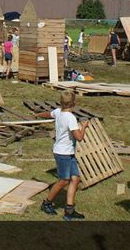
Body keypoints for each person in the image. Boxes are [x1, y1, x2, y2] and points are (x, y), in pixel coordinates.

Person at [36, 91, 90, 221]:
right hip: (63, 153)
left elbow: (49, 114)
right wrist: (84, 127)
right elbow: (80, 138)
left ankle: (69, 211)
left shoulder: (58, 112)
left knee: (75, 179)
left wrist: (38, 115)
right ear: (74, 103)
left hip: (68, 153)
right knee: (64, 181)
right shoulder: (71, 118)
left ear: (61, 102)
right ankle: (46, 203)